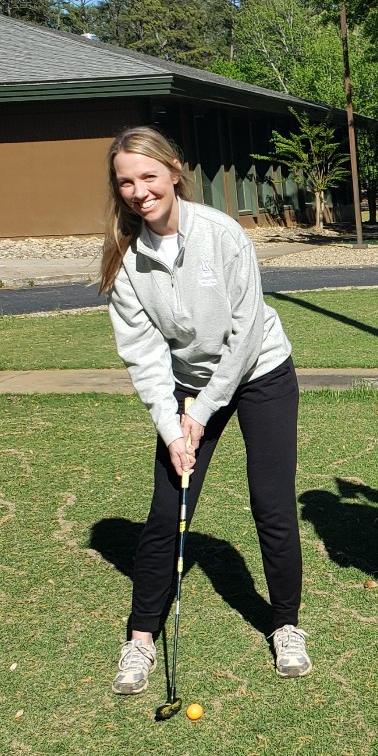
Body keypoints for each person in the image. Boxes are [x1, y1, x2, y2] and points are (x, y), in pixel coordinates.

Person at [98, 126, 310, 695]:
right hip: (189, 388)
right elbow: (144, 358)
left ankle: (286, 624)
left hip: (262, 371)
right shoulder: (125, 262)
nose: (139, 190)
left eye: (148, 176)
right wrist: (174, 428)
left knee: (270, 503)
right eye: (126, 182)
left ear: (173, 170)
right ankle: (141, 638)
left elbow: (244, 335)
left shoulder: (222, 233)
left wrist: (202, 411)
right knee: (168, 508)